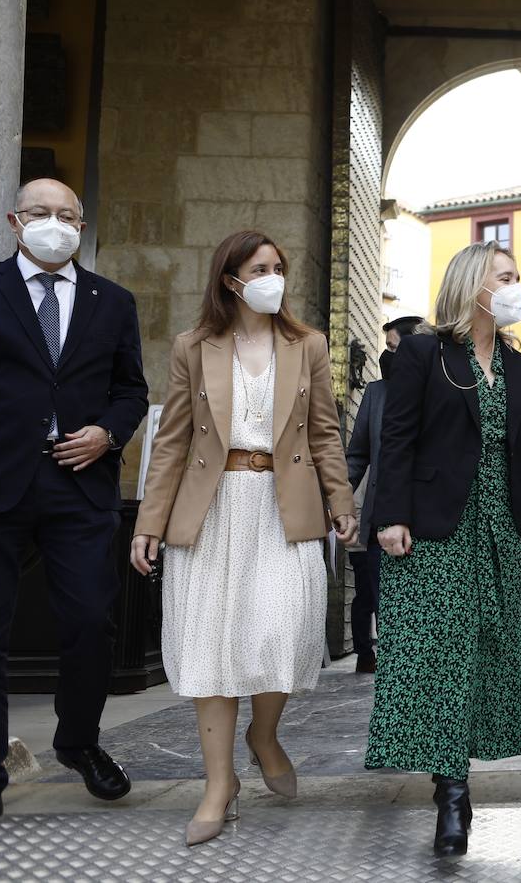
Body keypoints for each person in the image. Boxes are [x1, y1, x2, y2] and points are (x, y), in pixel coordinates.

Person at [131, 230, 356, 845]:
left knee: (281, 631)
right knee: (212, 648)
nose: (272, 276)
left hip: (283, 509)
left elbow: (324, 434)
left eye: (278, 267)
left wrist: (341, 502)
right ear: (229, 277)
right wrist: (149, 524)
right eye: (260, 267)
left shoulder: (307, 344)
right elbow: (172, 440)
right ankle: (218, 785)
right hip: (210, 511)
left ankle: (263, 735)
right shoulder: (192, 347)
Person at [365, 242, 521, 858]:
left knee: (492, 651)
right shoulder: (425, 352)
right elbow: (395, 437)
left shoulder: (519, 365)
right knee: (439, 654)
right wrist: (390, 514)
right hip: (433, 525)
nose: (514, 287)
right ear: (473, 283)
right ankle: (452, 793)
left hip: (500, 526)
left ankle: (458, 774)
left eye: (516, 278)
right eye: (504, 277)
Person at [0, 179, 148, 823]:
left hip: (79, 487)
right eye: (40, 214)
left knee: (89, 622)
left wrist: (109, 432)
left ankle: (79, 741)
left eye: (67, 215)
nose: (54, 224)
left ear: (82, 224)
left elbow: (131, 389)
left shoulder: (114, 302)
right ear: (14, 220)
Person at [345, 313, 424, 674]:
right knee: (384, 603)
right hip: (383, 518)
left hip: (430, 519)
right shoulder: (376, 394)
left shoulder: (440, 385)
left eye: (393, 348)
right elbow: (358, 453)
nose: (387, 357)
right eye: (386, 349)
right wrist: (339, 500)